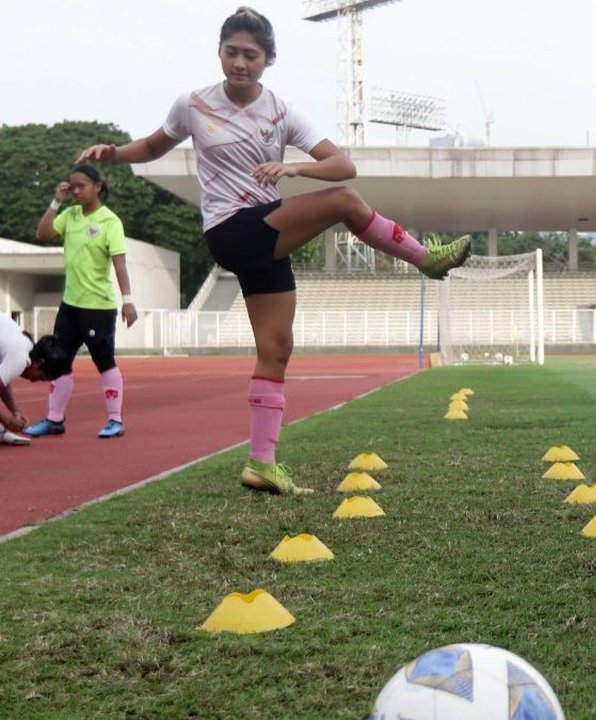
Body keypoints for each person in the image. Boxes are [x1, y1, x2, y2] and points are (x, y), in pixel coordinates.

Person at [77, 6, 472, 495]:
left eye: (251, 55)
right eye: (231, 52)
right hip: (229, 230)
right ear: (219, 52)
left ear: (269, 60)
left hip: (265, 233)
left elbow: (342, 164)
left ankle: (261, 465)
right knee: (346, 205)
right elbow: (157, 145)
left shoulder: (282, 113)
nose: (240, 63)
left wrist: (293, 169)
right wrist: (113, 153)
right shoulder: (193, 104)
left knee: (276, 349)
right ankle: (425, 260)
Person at [24, 164, 138, 440]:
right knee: (57, 361)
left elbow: (119, 263)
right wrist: (56, 201)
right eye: (72, 186)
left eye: (81, 186)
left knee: (104, 361)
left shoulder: (110, 221)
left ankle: (115, 420)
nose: (76, 191)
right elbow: (42, 235)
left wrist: (128, 301)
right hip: (70, 304)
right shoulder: (70, 214)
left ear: (97, 186)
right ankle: (54, 419)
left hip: (98, 306)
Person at [0, 315, 73, 446]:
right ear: (39, 363)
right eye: (40, 377)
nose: (33, 381)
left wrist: (15, 411)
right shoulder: (20, 358)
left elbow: (3, 382)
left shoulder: (24, 344)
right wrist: (6, 421)